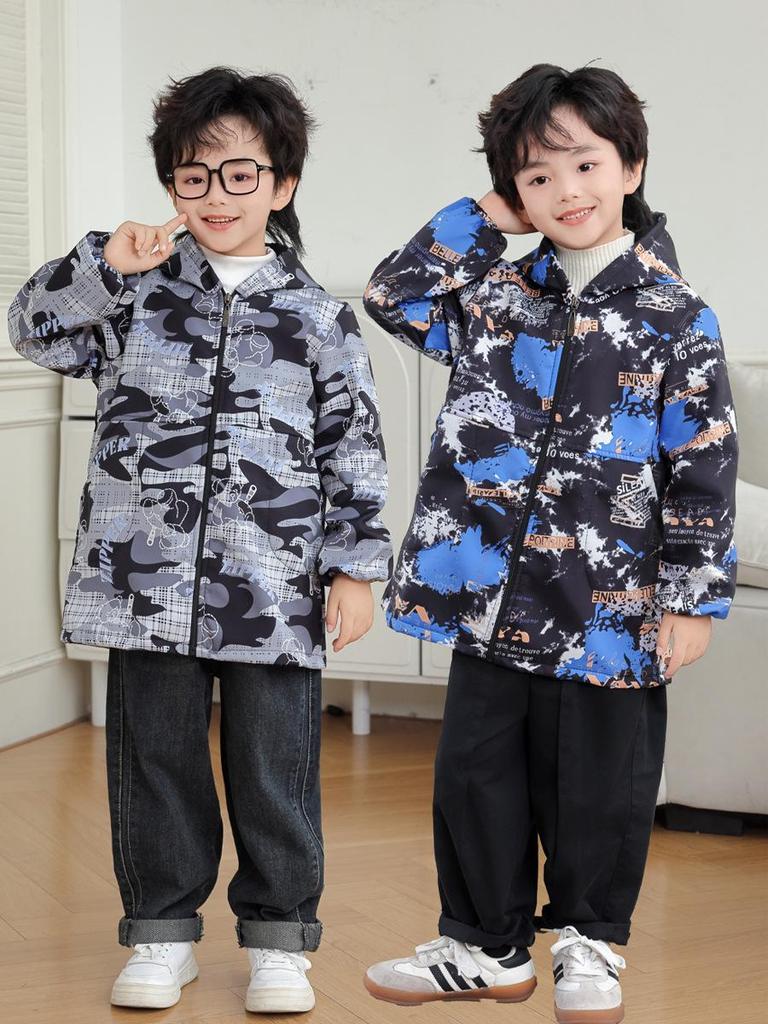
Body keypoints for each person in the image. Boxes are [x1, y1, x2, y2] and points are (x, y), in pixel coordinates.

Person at [8, 66, 392, 1014]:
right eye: (193, 175)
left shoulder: (318, 318)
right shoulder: (132, 295)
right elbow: (32, 330)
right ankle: (161, 933)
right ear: (172, 185)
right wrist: (105, 261)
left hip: (274, 584)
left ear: (282, 184)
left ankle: (279, 942)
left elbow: (354, 445)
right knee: (155, 762)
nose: (217, 195)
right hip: (141, 582)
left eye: (240, 174)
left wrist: (353, 569)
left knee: (274, 770)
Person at [361, 63, 737, 1024]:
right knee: (474, 772)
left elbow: (703, 462)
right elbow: (392, 295)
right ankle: (485, 946)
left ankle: (589, 944)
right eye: (537, 175)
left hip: (608, 606)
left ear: (631, 167)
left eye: (585, 164)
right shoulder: (493, 295)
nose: (565, 190)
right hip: (485, 590)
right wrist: (486, 218)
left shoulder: (676, 316)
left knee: (601, 785)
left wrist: (692, 599)